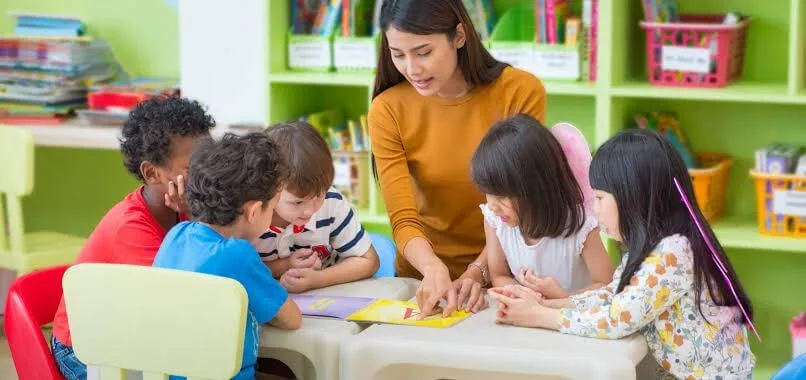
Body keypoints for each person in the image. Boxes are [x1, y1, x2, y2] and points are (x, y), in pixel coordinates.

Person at [490, 129, 756, 379]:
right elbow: (615, 296)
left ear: (634, 197)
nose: (595, 210)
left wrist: (538, 316)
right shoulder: (653, 249)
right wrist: (546, 304)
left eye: (600, 198)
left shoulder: (673, 253)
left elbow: (618, 319)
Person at [368, 0, 547, 317]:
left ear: (459, 36)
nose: (412, 68)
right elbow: (403, 218)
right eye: (398, 54)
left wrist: (480, 270)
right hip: (423, 279)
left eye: (423, 52)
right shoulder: (387, 109)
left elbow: (524, 203)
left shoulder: (519, 91)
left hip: (509, 274)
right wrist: (431, 268)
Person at [51, 97, 214, 379]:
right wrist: (199, 216)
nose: (207, 177)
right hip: (84, 347)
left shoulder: (183, 208)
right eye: (192, 169)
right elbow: (187, 296)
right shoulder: (131, 228)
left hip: (132, 333)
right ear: (152, 173)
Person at [153, 133, 302, 380]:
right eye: (273, 207)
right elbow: (291, 319)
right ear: (254, 211)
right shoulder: (237, 255)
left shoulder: (177, 235)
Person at [470, 114, 613, 300]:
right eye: (488, 193)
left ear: (537, 187)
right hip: (531, 319)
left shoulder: (580, 227)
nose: (492, 205)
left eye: (502, 196)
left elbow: (606, 286)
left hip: (571, 320)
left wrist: (560, 298)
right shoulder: (496, 221)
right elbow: (499, 275)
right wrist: (526, 295)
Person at [255, 121, 379, 293]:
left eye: (319, 195)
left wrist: (317, 279)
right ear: (268, 189)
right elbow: (233, 270)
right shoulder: (251, 215)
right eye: (297, 202)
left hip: (326, 300)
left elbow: (368, 261)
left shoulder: (331, 202)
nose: (310, 210)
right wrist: (284, 265)